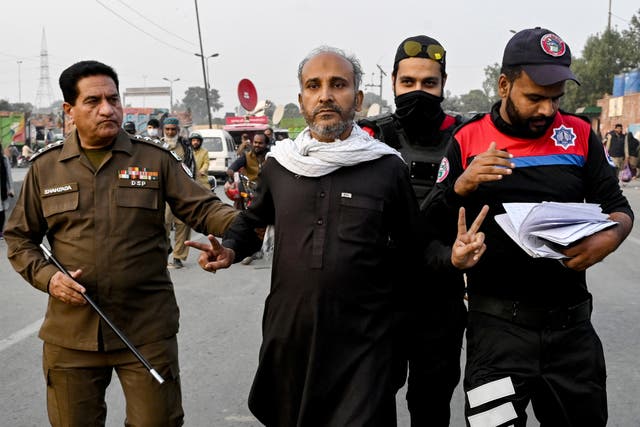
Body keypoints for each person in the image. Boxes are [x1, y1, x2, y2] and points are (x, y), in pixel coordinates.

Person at [187, 46, 486, 427]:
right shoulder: (281, 164)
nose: (325, 95)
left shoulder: (384, 166)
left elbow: (417, 244)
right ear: (301, 99)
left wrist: (452, 258)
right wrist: (229, 249)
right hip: (292, 334)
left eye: (338, 85)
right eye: (314, 85)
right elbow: (253, 220)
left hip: (364, 340)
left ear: (357, 99)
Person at [4, 60, 237, 426]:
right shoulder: (45, 169)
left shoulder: (153, 159)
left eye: (113, 99)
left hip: (146, 329)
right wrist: (49, 278)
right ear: (69, 110)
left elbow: (204, 207)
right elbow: (19, 238)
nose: (107, 109)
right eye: (93, 101)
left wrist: (244, 228)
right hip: (72, 335)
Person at [423, 27, 634, 426]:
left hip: (572, 335)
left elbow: (618, 206)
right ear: (504, 85)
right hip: (497, 334)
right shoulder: (468, 139)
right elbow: (429, 225)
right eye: (534, 98)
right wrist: (462, 185)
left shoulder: (581, 136)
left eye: (556, 99)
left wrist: (613, 234)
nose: (547, 110)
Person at [359, 34, 465, 426]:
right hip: (381, 299)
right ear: (392, 82)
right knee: (374, 403)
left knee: (432, 405)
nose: (418, 92)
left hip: (441, 296)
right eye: (408, 83)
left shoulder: (466, 135)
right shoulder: (369, 137)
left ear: (443, 82)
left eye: (429, 83)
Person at [226, 132, 269, 264]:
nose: (257, 145)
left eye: (260, 143)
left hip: (269, 193)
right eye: (255, 142)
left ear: (266, 144)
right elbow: (232, 168)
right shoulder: (246, 157)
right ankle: (247, 249)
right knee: (242, 215)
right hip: (251, 193)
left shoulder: (272, 157)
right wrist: (231, 177)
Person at [162, 117, 196, 269]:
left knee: (182, 225)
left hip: (182, 193)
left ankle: (178, 257)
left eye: (173, 129)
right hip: (162, 194)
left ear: (178, 130)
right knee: (162, 226)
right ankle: (163, 252)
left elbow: (191, 169)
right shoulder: (156, 145)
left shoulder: (186, 147)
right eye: (167, 129)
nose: (170, 132)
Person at [0, 148, 15, 239]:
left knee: (1, 211)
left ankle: (0, 231)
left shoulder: (4, 159)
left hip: (2, 189)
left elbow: (9, 175)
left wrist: (11, 188)